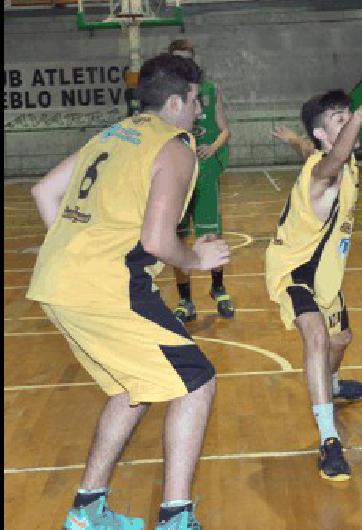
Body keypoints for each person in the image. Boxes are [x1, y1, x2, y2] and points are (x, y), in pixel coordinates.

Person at [26, 54, 229, 530]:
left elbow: (42, 193)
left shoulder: (113, 134)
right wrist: (197, 259)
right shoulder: (174, 147)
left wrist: (81, 254)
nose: (200, 112)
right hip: (107, 286)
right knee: (196, 380)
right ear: (176, 101)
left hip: (57, 279)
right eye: (197, 101)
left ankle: (87, 511)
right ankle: (176, 519)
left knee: (130, 388)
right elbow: (158, 240)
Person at [264, 80, 362, 480]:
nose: (350, 123)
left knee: (342, 340)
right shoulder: (326, 173)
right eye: (341, 119)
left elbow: (316, 151)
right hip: (294, 271)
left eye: (349, 116)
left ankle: (332, 385)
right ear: (324, 133)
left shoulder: (332, 159)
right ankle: (328, 440)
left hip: (326, 275)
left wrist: (294, 141)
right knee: (316, 337)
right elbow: (328, 161)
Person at [168, 39, 235, 322]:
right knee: (177, 238)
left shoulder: (208, 90)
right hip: (176, 174)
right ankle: (185, 301)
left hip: (204, 171)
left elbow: (225, 130)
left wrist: (213, 147)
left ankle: (218, 288)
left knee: (210, 234)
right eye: (177, 59)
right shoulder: (165, 97)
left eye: (187, 59)